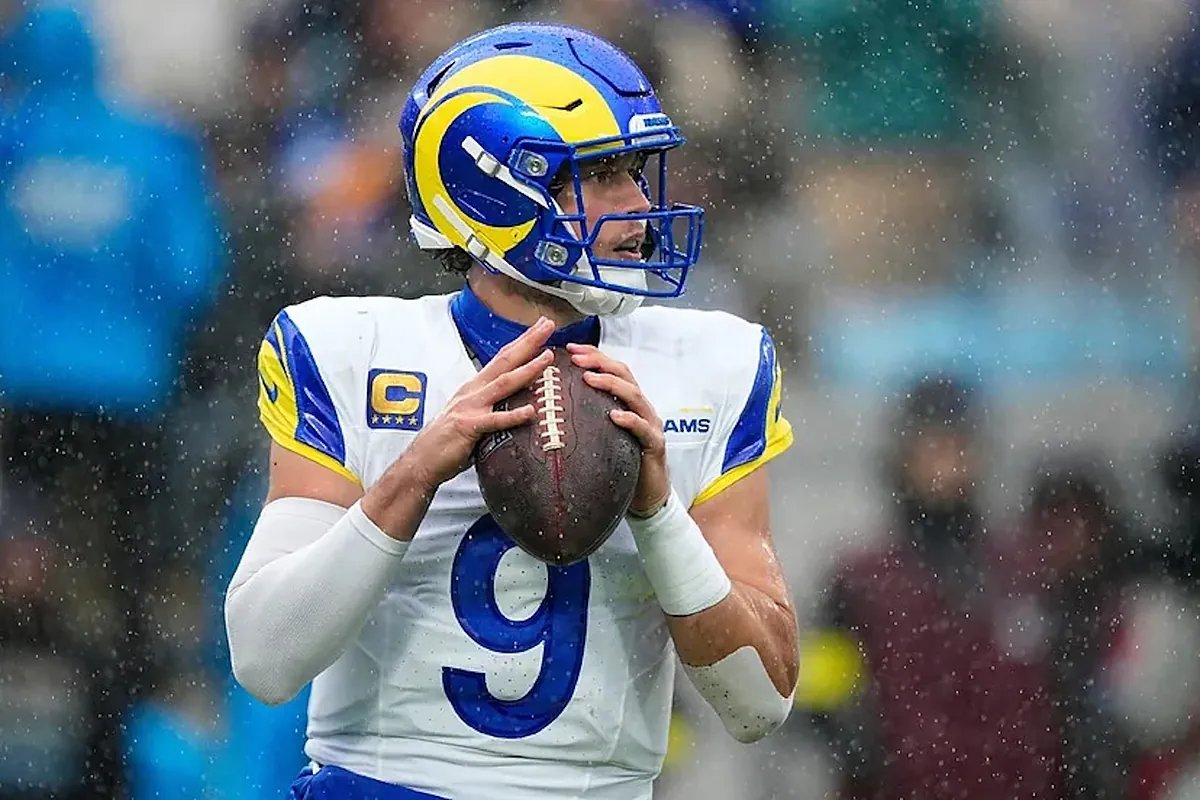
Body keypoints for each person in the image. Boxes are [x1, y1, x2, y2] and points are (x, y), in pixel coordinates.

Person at [224, 22, 800, 800]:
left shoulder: (715, 363)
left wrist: (658, 513)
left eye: (637, 172)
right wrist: (412, 476)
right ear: (495, 191)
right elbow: (265, 657)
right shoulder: (348, 349)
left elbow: (761, 702)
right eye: (603, 176)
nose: (638, 205)